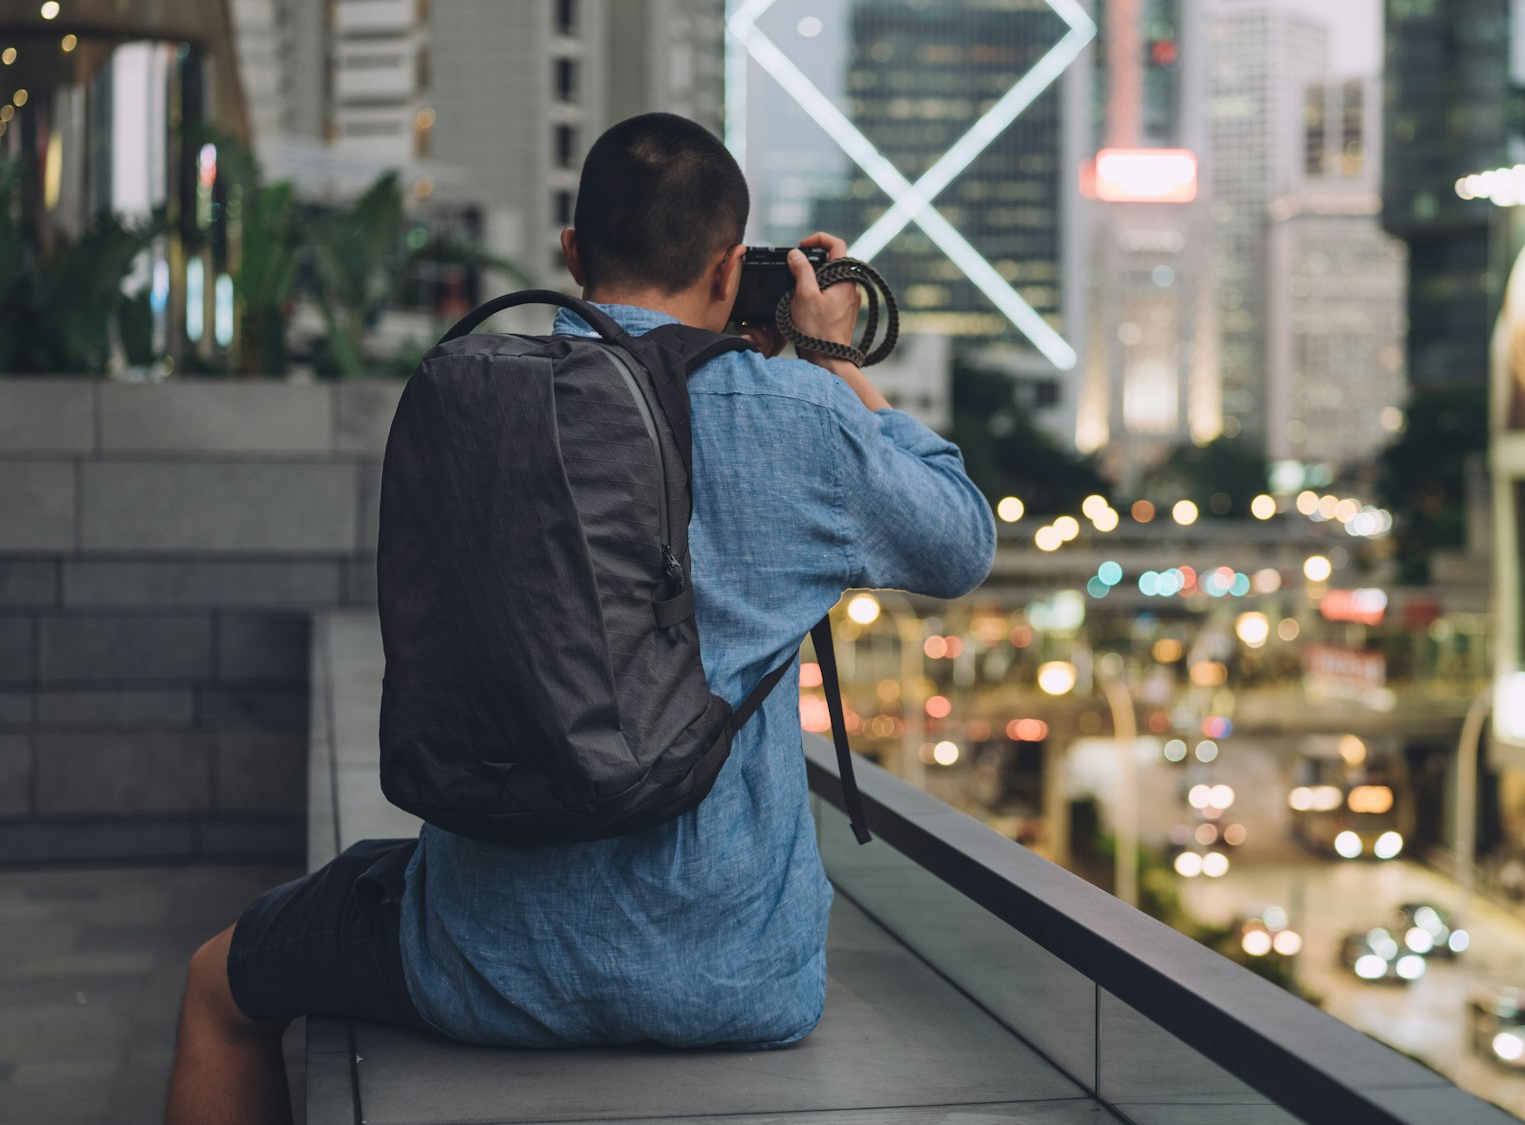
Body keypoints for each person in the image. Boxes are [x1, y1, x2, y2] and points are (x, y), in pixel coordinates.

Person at [164, 112, 998, 1125]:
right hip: (737, 977)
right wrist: (823, 359)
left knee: (219, 987)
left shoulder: (480, 396)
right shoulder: (794, 412)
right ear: (733, 271)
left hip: (479, 956)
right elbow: (959, 542)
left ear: (569, 253)